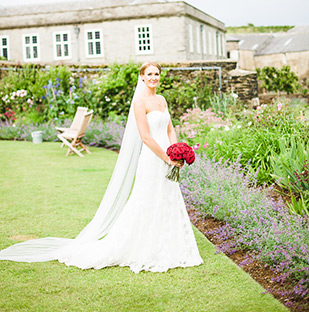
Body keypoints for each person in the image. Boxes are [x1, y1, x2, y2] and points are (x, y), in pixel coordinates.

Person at [0, 62, 203, 273]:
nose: (154, 77)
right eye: (150, 74)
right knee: (147, 200)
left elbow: (170, 128)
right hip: (152, 158)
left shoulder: (161, 100)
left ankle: (170, 245)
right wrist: (166, 158)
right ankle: (144, 246)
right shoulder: (140, 102)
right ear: (142, 77)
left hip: (167, 156)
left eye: (157, 74)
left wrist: (175, 150)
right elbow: (145, 136)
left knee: (168, 197)